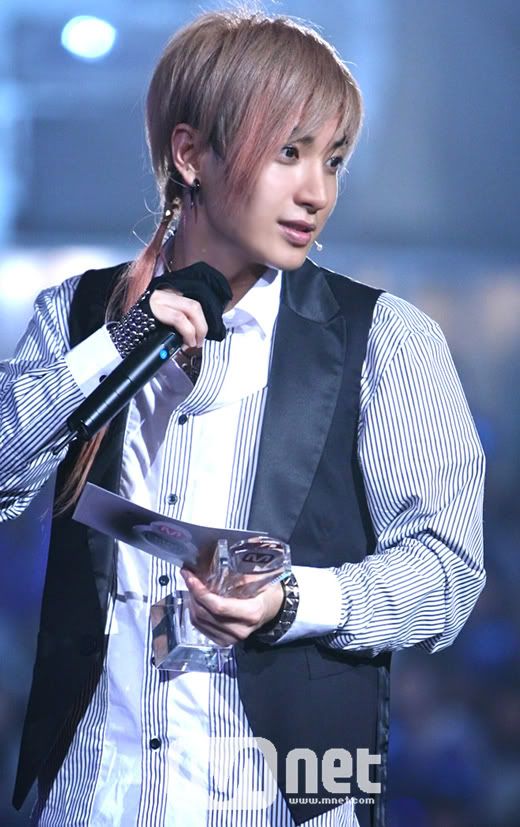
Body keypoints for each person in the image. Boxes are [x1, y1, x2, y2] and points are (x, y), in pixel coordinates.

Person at [0, 7, 485, 827]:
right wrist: (119, 342)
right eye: (289, 152)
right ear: (190, 154)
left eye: (333, 159)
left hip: (277, 800)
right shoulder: (76, 317)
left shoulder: (385, 339)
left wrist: (295, 600)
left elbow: (448, 571)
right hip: (96, 798)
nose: (317, 192)